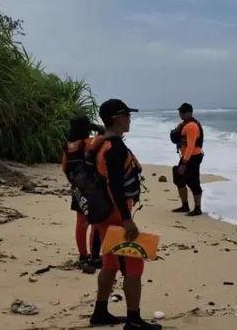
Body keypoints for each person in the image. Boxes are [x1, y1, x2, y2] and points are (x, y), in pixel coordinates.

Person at [90, 99, 161, 330]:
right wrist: (126, 219)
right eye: (127, 115)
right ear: (117, 118)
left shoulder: (101, 143)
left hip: (103, 213)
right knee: (133, 264)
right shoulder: (116, 148)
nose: (130, 119)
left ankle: (100, 312)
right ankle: (133, 320)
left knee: (110, 263)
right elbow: (115, 186)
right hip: (116, 215)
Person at [62, 115, 103, 274]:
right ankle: (94, 255)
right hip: (92, 188)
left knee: (81, 223)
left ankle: (83, 255)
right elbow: (105, 136)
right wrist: (98, 128)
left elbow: (64, 167)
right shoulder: (89, 142)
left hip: (77, 188)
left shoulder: (68, 145)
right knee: (95, 223)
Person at [170, 102, 204, 216]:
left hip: (193, 157)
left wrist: (184, 163)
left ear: (190, 113)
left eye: (183, 112)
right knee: (178, 178)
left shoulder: (192, 126)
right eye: (180, 112)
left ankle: (198, 208)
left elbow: (191, 146)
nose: (181, 114)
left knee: (193, 182)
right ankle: (185, 206)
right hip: (186, 157)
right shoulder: (184, 124)